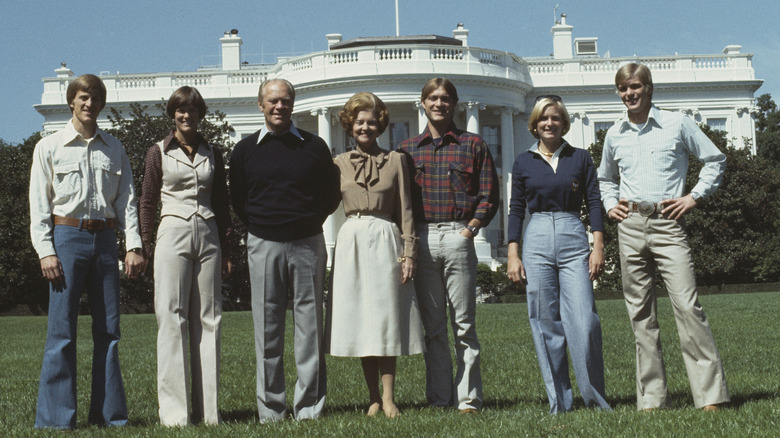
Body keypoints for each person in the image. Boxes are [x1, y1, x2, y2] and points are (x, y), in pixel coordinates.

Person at [597, 63, 730, 412]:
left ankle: (711, 397)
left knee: (687, 306)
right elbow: (605, 179)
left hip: (668, 224)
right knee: (640, 314)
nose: (630, 94)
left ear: (649, 88)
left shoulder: (677, 123)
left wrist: (693, 197)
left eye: (635, 86)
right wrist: (611, 204)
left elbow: (715, 159)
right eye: (623, 88)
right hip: (630, 227)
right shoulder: (615, 134)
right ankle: (652, 399)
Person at [29, 74, 146, 429]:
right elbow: (38, 204)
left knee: (109, 330)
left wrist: (134, 245)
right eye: (82, 97)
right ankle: (55, 419)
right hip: (66, 238)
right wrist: (45, 251)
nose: (88, 103)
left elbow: (127, 200)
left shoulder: (115, 148)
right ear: (71, 102)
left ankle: (110, 416)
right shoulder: (49, 146)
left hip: (107, 241)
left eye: (95, 98)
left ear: (101, 103)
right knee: (61, 330)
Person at [229, 79, 340, 422]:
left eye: (286, 101)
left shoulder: (314, 146)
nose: (280, 107)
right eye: (273, 101)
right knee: (267, 330)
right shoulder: (245, 150)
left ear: (293, 105)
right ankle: (272, 410)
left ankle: (308, 408)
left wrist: (305, 222)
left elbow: (330, 193)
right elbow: (238, 199)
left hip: (307, 242)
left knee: (310, 329)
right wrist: (265, 227)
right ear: (261, 105)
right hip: (264, 243)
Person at [398, 78, 499, 413]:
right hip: (424, 239)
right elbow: (402, 204)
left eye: (445, 99)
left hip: (458, 235)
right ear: (422, 103)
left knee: (464, 324)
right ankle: (440, 397)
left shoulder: (473, 145)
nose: (438, 104)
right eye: (432, 98)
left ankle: (468, 398)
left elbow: (489, 196)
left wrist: (469, 231)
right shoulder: (407, 150)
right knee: (434, 326)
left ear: (454, 104)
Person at [506, 96, 611, 414]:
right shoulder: (523, 161)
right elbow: (516, 209)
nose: (549, 123)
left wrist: (598, 246)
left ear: (564, 122)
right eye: (542, 119)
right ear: (534, 124)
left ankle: (593, 397)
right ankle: (560, 402)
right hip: (536, 235)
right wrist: (513, 252)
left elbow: (594, 201)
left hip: (572, 233)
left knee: (584, 319)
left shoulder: (580, 158)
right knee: (544, 319)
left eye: (555, 118)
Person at [326, 92, 425, 418]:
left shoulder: (396, 160)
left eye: (371, 121)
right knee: (362, 320)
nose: (365, 127)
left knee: (385, 319)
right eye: (359, 122)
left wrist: (408, 252)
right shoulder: (338, 164)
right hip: (352, 239)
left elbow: (407, 210)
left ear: (380, 125)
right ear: (350, 125)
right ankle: (370, 397)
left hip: (386, 238)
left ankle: (388, 397)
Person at [139, 86, 233, 426]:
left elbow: (221, 202)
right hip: (172, 234)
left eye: (192, 110)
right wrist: (146, 245)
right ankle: (176, 415)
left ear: (200, 114)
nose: (186, 115)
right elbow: (148, 201)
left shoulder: (213, 152)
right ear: (172, 115)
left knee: (209, 320)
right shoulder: (157, 152)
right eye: (180, 110)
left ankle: (209, 413)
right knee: (172, 318)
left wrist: (228, 248)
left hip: (208, 234)